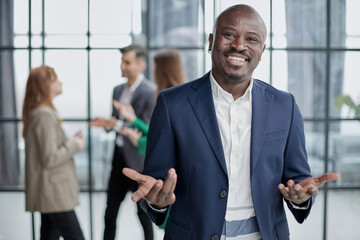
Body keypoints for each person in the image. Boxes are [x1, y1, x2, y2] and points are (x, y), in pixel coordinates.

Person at [122, 4, 340, 240]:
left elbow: (297, 180)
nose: (239, 45)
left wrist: (301, 198)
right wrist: (157, 203)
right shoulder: (172, 104)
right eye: (229, 34)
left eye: (252, 39)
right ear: (210, 41)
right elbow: (157, 183)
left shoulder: (284, 105)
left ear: (262, 50)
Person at [89, 44, 155, 240]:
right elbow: (116, 122)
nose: (122, 66)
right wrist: (108, 124)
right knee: (110, 213)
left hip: (139, 162)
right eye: (121, 61)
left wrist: (116, 124)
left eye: (127, 62)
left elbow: (145, 130)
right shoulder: (117, 90)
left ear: (141, 65)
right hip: (118, 159)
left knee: (143, 213)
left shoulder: (150, 91)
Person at [22, 65, 85, 240]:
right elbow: (50, 158)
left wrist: (70, 142)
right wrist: (75, 145)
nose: (60, 82)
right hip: (54, 193)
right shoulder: (44, 115)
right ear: (45, 84)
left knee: (49, 235)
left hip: (50, 192)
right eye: (55, 78)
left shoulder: (41, 113)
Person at [113, 48, 187, 156]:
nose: (152, 71)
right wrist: (133, 119)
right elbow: (157, 132)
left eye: (155, 67)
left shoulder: (168, 99)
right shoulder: (177, 96)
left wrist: (139, 142)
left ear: (164, 71)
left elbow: (165, 141)